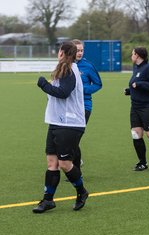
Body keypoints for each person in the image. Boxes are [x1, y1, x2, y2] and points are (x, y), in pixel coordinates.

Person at [33, 41, 88, 213]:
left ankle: (81, 191)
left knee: (65, 163)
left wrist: (44, 85)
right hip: (56, 122)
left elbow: (64, 93)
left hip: (70, 124)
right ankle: (48, 200)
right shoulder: (62, 69)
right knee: (52, 163)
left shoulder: (70, 71)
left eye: (59, 51)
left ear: (63, 52)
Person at [72, 39, 103, 171]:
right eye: (77, 50)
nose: (79, 53)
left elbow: (98, 84)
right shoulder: (64, 64)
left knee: (74, 138)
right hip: (68, 107)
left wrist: (82, 90)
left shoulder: (88, 66)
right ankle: (75, 161)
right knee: (69, 138)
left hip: (84, 107)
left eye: (81, 50)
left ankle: (76, 169)